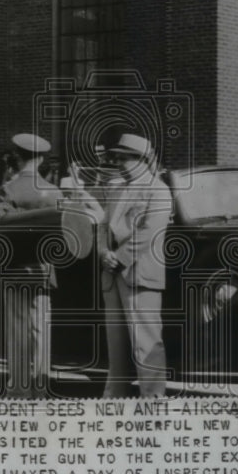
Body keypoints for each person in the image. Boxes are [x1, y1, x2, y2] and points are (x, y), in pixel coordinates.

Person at [100, 133, 172, 398]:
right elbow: (103, 227)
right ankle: (113, 404)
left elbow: (150, 232)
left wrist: (118, 257)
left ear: (142, 160)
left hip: (140, 276)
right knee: (116, 347)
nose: (118, 163)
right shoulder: (116, 189)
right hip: (112, 275)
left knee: (146, 346)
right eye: (116, 158)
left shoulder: (159, 190)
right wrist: (102, 251)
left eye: (124, 158)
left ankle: (152, 406)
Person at [0, 133, 63, 398]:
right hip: (42, 268)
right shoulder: (54, 192)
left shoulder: (9, 189)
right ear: (39, 159)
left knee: (17, 328)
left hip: (15, 267)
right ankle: (41, 385)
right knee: (40, 327)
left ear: (18, 156)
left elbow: (0, 229)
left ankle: (18, 388)